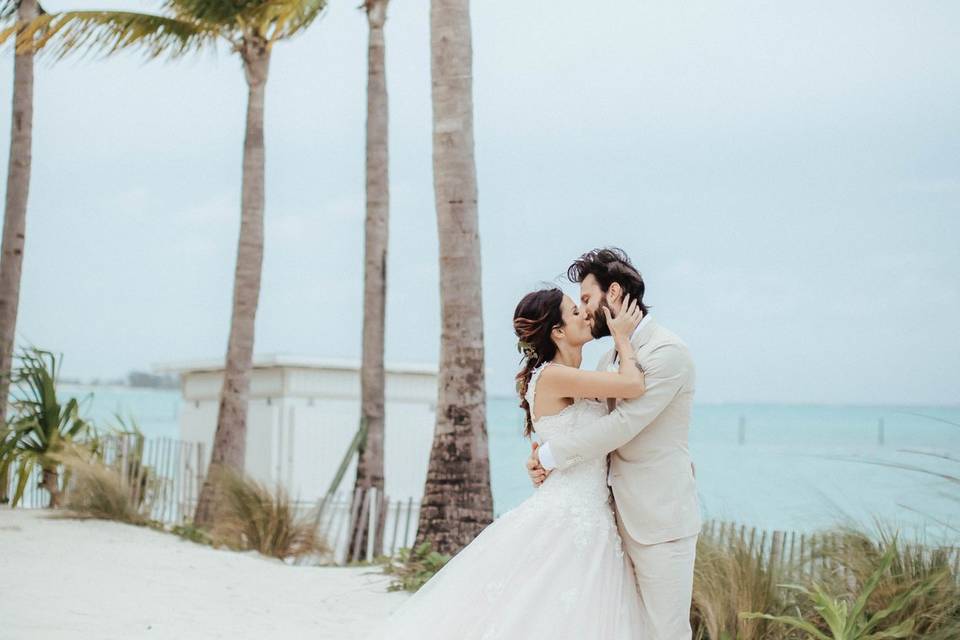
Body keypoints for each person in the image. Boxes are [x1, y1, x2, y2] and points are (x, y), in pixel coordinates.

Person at [381, 286, 648, 639]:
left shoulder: (576, 376)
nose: (585, 313)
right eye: (575, 310)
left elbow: (572, 437)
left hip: (591, 516)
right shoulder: (554, 375)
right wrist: (624, 338)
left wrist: (540, 459)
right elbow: (632, 384)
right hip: (567, 517)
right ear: (557, 331)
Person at [528, 247, 701, 640]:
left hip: (660, 521)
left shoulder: (668, 353)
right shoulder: (610, 357)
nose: (585, 311)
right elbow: (581, 422)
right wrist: (540, 454)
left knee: (666, 632)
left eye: (587, 299)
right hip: (612, 522)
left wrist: (553, 456)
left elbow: (624, 423)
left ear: (615, 294)